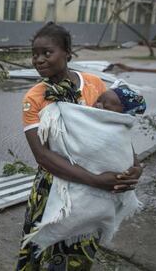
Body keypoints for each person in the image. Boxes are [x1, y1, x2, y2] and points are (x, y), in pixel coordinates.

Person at [16, 22, 143, 271]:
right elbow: (42, 156)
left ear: (67, 53)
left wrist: (135, 165)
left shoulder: (94, 85)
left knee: (78, 252)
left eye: (47, 52)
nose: (39, 60)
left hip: (95, 191)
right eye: (34, 54)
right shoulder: (34, 98)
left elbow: (115, 131)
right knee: (40, 250)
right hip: (54, 186)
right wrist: (96, 180)